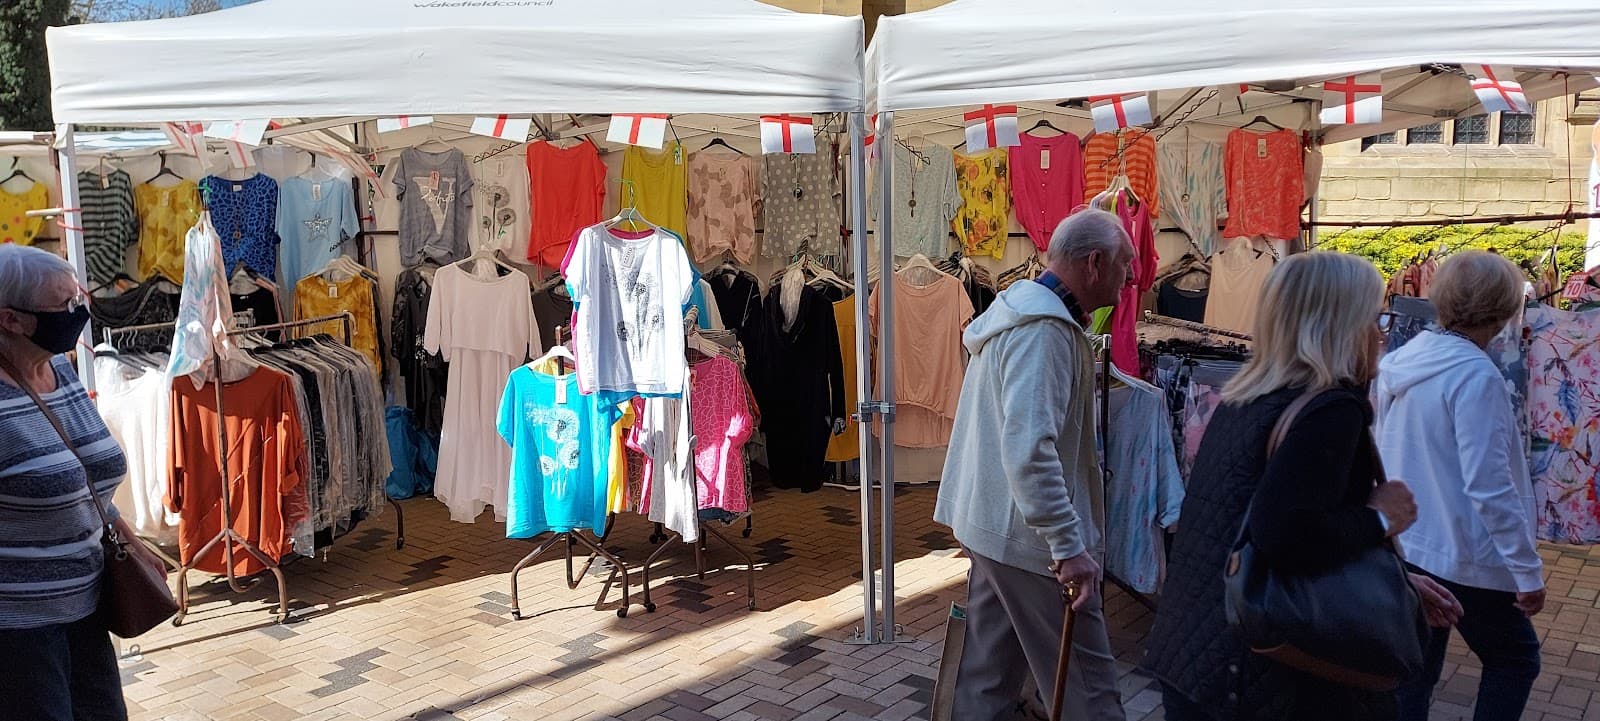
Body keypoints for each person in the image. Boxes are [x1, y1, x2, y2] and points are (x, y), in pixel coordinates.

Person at [1143, 252, 1462, 721]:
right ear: (1340, 324)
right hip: (1258, 678)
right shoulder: (1326, 411)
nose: (1380, 332)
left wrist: (1387, 579)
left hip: (1199, 658)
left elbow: (1249, 526)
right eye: (1374, 317)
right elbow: (1285, 534)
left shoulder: (1243, 396)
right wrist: (1379, 519)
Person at [935, 209, 1134, 721]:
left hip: (995, 529)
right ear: (1094, 263)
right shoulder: (1042, 332)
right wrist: (1068, 548)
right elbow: (1029, 449)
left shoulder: (1022, 316)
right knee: (1090, 694)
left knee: (987, 681)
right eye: (1125, 264)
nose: (1130, 277)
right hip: (1031, 544)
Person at [1378, 251, 1545, 721]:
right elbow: (1489, 487)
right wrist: (1527, 571)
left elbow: (1383, 449)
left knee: (1416, 670)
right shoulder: (1476, 375)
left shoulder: (1404, 359)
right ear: (1505, 309)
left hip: (1411, 547)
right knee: (1514, 659)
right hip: (1465, 555)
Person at [0, 244, 164, 721]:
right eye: (63, 305)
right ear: (11, 319)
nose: (78, 313)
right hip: (18, 630)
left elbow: (87, 479)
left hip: (88, 607)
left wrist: (131, 543)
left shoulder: (61, 370)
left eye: (79, 299)